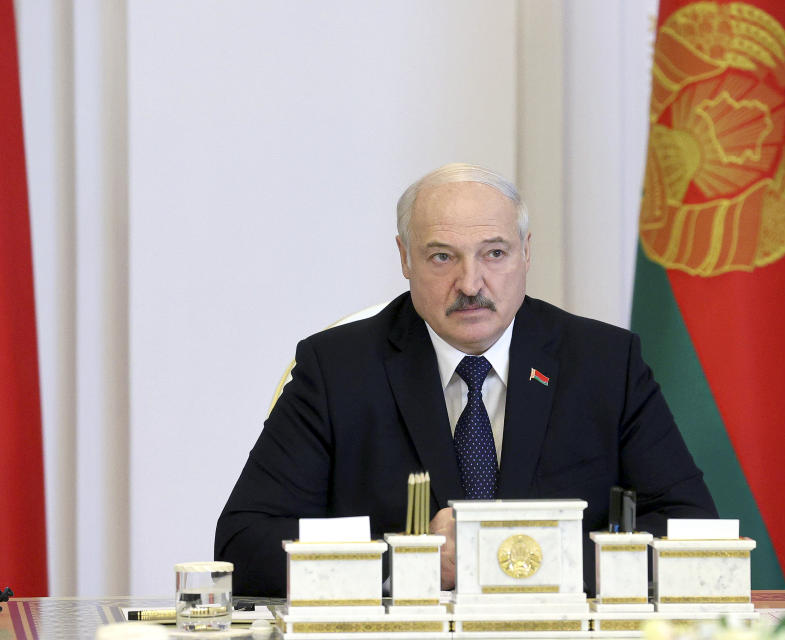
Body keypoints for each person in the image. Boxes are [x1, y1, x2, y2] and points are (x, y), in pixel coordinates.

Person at [215, 163, 717, 596]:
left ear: (525, 253)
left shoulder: (604, 362)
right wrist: (406, 562)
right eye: (442, 257)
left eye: (494, 254)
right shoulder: (338, 368)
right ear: (405, 258)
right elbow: (244, 544)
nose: (471, 284)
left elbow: (691, 528)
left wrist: (517, 558)